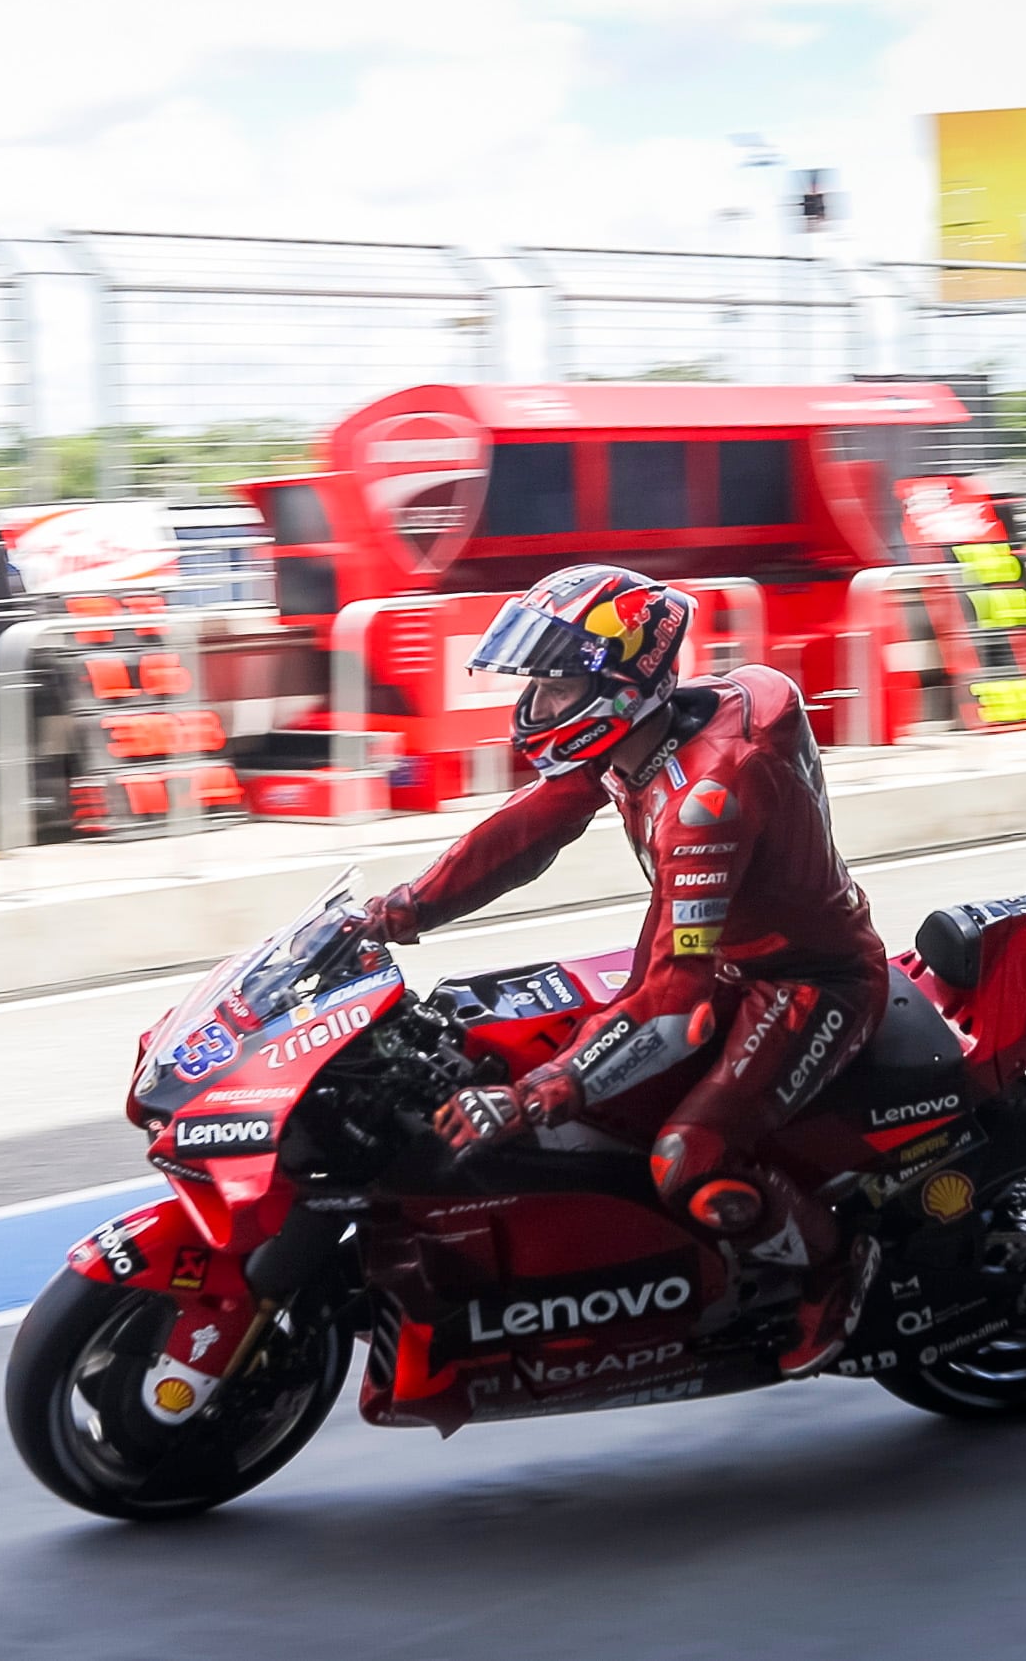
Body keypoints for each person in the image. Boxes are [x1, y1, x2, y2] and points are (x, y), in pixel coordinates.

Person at [359, 564, 888, 1377]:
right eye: (537, 681)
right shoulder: (637, 734)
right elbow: (526, 828)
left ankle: (832, 1266)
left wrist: (535, 1096)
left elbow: (676, 1002)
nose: (537, 704)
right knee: (528, 1038)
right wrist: (400, 910)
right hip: (711, 950)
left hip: (804, 982)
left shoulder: (707, 799)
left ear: (619, 686)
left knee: (689, 1159)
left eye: (559, 684)